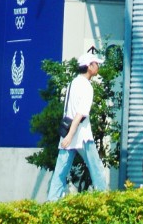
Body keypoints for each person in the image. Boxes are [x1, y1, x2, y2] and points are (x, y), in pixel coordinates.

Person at [47, 50, 107, 199]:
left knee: (60, 172)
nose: (97, 67)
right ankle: (105, 201)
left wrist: (67, 136)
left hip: (68, 135)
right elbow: (80, 114)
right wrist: (71, 135)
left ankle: (51, 203)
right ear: (89, 66)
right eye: (96, 64)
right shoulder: (87, 86)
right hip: (82, 135)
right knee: (96, 168)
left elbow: (69, 111)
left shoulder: (72, 83)